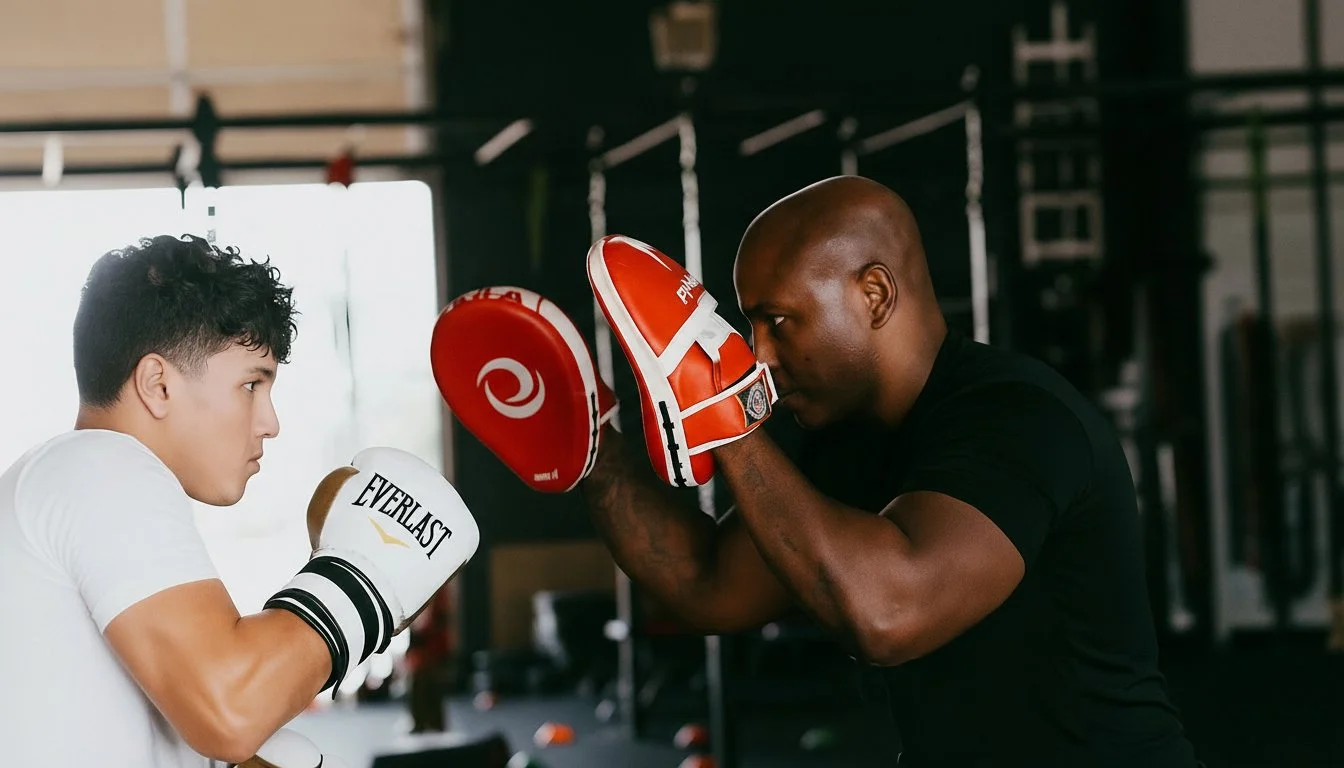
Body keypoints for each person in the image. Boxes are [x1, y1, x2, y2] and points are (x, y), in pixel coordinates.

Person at [574, 176, 1200, 766]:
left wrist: (724, 418)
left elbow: (889, 615)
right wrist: (595, 449)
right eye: (751, 325)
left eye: (779, 321)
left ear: (874, 295)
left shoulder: (1017, 419)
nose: (760, 355)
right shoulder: (849, 441)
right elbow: (712, 584)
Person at [0, 235, 479, 767]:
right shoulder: (100, 465)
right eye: (252, 384)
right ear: (158, 384)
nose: (270, 423)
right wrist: (364, 585)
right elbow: (229, 711)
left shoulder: (59, 482)